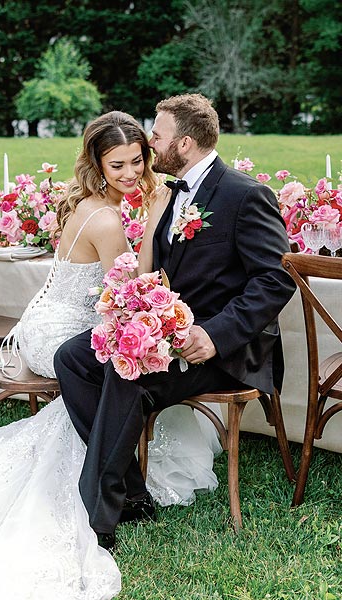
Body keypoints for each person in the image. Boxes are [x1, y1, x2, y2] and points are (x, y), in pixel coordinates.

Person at [0, 109, 221, 599]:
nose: (132, 173)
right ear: (96, 165)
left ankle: (117, 472)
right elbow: (136, 289)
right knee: (109, 367)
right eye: (118, 166)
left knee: (117, 366)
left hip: (58, 318)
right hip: (59, 331)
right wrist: (155, 221)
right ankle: (117, 482)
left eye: (138, 161)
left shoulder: (94, 202)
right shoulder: (109, 217)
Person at [54, 93, 297, 551]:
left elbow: (275, 279)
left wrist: (214, 334)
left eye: (158, 135)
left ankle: (98, 518)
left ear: (183, 144)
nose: (150, 142)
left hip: (221, 349)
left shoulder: (245, 194)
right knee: (71, 358)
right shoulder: (168, 194)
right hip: (166, 335)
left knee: (129, 370)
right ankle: (132, 496)